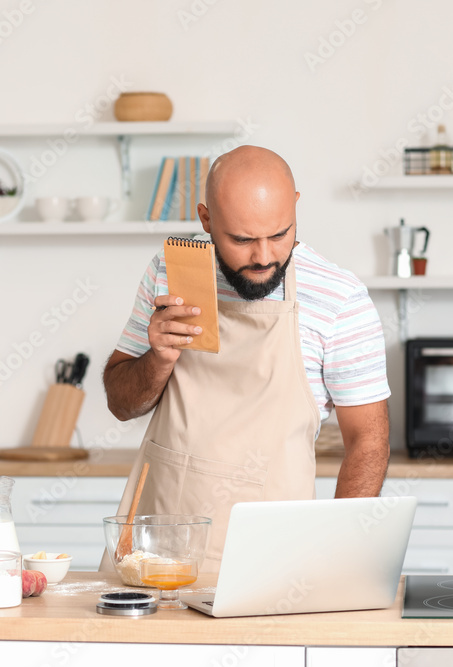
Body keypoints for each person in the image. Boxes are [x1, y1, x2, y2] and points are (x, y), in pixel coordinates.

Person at [102, 145, 390, 569]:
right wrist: (158, 359)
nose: (264, 256)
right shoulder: (171, 270)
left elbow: (369, 441)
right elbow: (122, 404)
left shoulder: (339, 299)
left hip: (271, 558)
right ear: (206, 220)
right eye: (241, 239)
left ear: (295, 207)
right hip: (154, 548)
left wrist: (337, 555)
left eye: (279, 234)